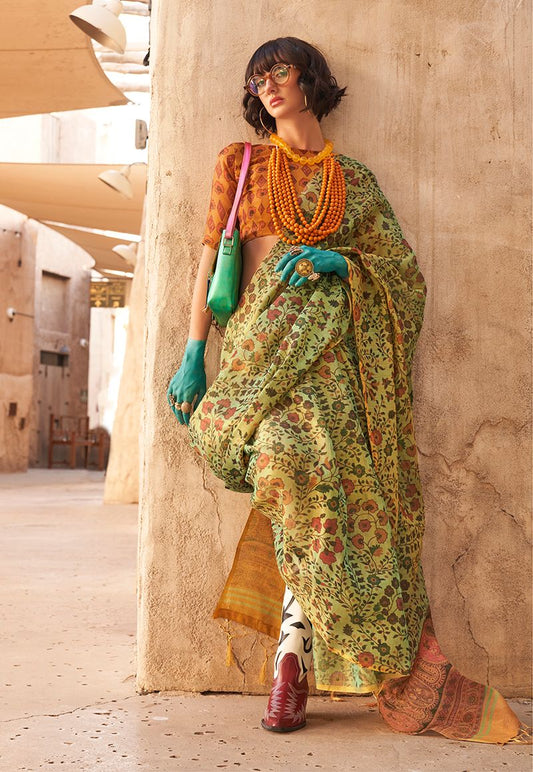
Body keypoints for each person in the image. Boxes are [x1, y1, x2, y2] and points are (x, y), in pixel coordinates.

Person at [167, 37, 530, 744]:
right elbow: (209, 256)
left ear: (312, 80)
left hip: (338, 371)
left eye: (280, 70)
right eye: (257, 77)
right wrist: (192, 355)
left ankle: (289, 662)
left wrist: (343, 261)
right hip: (256, 359)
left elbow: (401, 275)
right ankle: (297, 652)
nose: (268, 84)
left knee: (323, 500)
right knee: (278, 467)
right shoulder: (239, 165)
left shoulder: (354, 182)